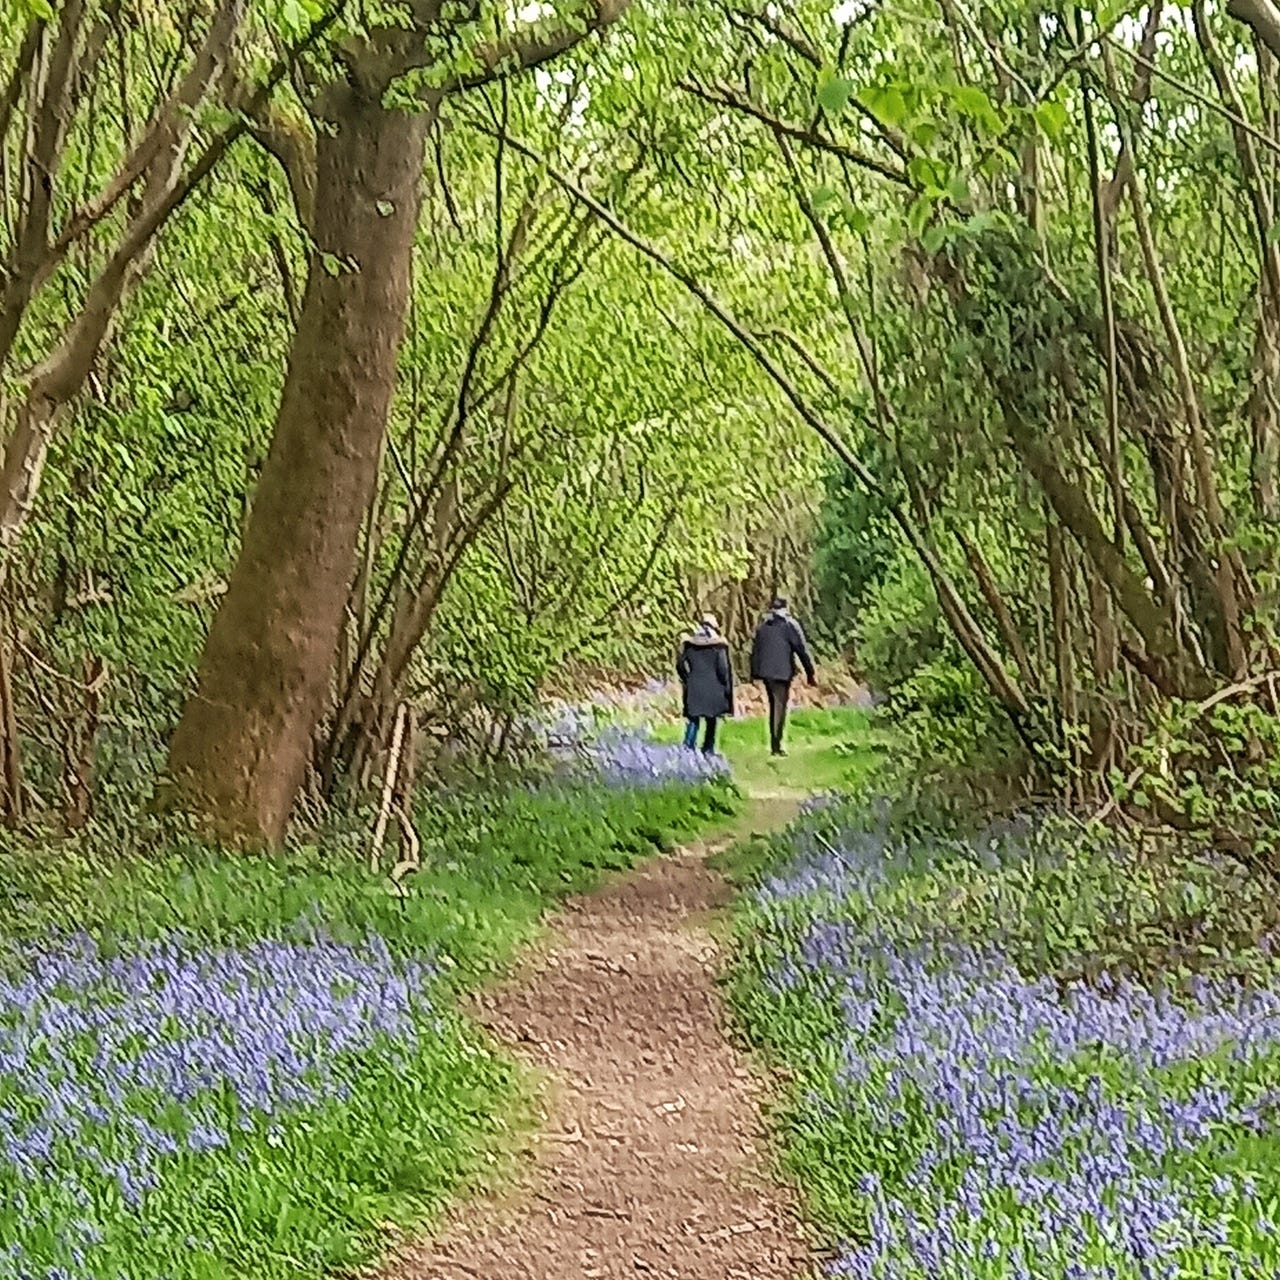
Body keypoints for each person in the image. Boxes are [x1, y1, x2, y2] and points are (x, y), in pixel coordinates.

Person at [750, 596, 815, 757]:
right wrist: (810, 673)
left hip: (766, 672)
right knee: (779, 706)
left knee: (773, 705)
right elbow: (802, 649)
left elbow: (755, 651)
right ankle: (776, 745)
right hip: (782, 673)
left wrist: (755, 673)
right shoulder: (790, 625)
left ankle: (775, 742)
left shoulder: (763, 627)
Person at [676, 613, 733, 754]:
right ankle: (708, 750)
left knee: (693, 721)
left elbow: (680, 665)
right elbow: (723, 669)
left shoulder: (689, 645)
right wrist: (726, 686)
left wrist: (687, 678)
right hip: (714, 688)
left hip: (694, 687)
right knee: (711, 721)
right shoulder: (719, 646)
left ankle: (687, 750)